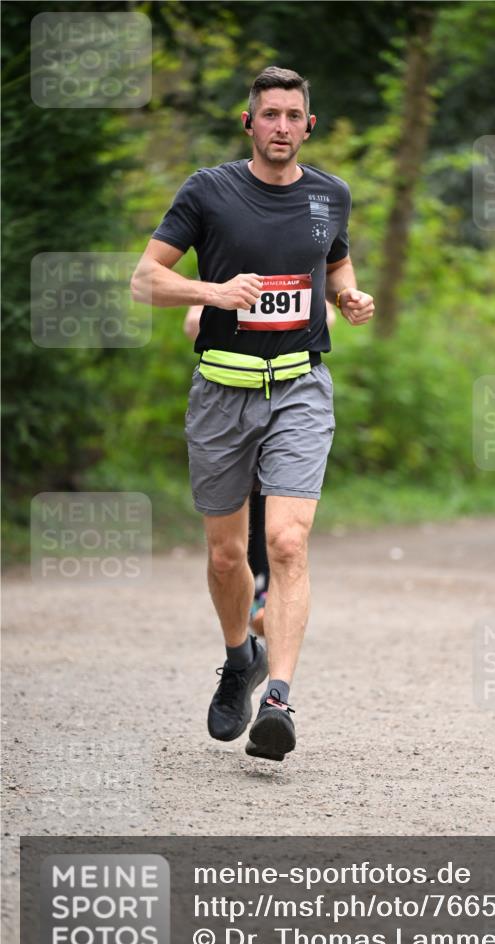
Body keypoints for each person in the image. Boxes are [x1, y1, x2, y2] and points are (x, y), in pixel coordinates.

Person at [131, 66, 374, 761]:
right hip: (221, 391)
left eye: (292, 116)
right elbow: (145, 280)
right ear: (248, 123)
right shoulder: (208, 191)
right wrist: (212, 291)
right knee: (226, 553)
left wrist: (350, 297)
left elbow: (332, 266)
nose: (280, 127)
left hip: (299, 386)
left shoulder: (331, 194)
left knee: (289, 544)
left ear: (308, 125)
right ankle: (240, 658)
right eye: (268, 115)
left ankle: (279, 700)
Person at [184, 303, 270, 637]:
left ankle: (263, 594)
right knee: (236, 512)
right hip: (227, 396)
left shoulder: (298, 261)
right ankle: (249, 593)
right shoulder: (228, 267)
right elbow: (192, 321)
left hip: (283, 393)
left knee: (271, 498)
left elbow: (327, 315)